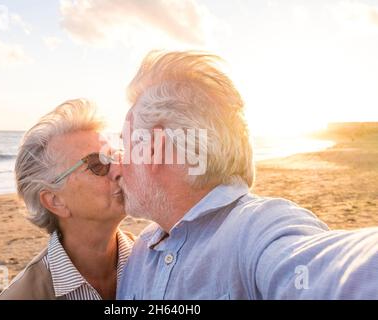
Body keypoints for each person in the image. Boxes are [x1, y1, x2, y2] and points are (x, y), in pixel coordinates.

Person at [116, 51, 378, 299]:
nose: (118, 165)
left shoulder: (258, 228)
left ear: (153, 149)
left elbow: (329, 272)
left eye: (125, 146)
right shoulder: (139, 252)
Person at [0, 99, 132, 300]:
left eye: (115, 156)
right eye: (97, 164)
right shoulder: (23, 296)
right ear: (55, 201)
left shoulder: (157, 260)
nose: (119, 169)